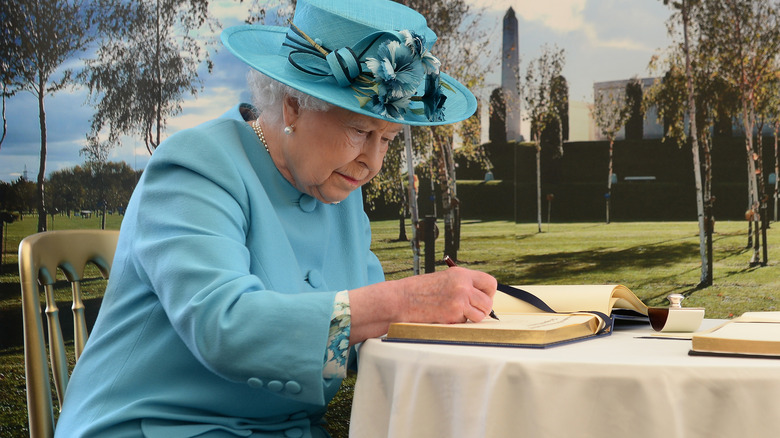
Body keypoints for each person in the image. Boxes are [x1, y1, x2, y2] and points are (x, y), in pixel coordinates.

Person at [54, 0, 497, 436]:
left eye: (388, 139)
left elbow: (364, 338)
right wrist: (403, 301)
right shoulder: (195, 166)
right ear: (293, 107)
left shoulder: (339, 190)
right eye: (359, 131)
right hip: (155, 426)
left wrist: (455, 318)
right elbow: (225, 326)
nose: (372, 163)